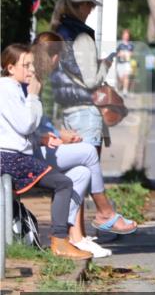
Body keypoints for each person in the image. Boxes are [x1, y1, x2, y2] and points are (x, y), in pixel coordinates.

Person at [33, 33, 138, 243]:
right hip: (24, 151)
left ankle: (69, 236)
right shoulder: (34, 82)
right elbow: (24, 121)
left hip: (37, 144)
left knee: (81, 173)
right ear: (53, 57)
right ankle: (105, 212)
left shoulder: (40, 80)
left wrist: (57, 134)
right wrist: (48, 136)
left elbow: (37, 119)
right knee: (89, 152)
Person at [0, 43, 93, 260]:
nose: (31, 70)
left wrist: (40, 138)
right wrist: (33, 96)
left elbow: (15, 129)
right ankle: (60, 241)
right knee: (63, 183)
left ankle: (63, 238)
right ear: (10, 67)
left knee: (70, 179)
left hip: (14, 155)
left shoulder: (10, 88)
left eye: (32, 65)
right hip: (10, 158)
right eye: (26, 65)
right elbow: (24, 125)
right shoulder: (6, 89)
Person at [49, 0, 114, 152]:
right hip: (86, 114)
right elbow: (91, 81)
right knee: (89, 172)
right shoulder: (82, 37)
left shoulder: (57, 32)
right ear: (83, 5)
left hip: (67, 110)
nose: (90, 12)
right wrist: (106, 64)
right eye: (90, 7)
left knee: (74, 175)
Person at [115, 29, 135, 96]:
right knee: (121, 79)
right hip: (120, 63)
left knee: (126, 76)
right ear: (122, 36)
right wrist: (120, 54)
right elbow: (116, 54)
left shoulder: (131, 45)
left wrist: (128, 54)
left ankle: (125, 91)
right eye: (125, 35)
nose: (126, 37)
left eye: (127, 36)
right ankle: (120, 88)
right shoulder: (119, 44)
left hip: (127, 63)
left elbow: (132, 54)